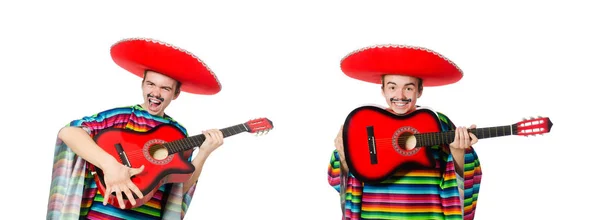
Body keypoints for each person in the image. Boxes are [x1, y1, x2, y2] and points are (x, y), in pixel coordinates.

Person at [47, 38, 226, 219]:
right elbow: (68, 132)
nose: (156, 93)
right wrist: (110, 165)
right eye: (151, 84)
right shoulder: (120, 116)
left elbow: (178, 189)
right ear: (142, 84)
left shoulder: (178, 133)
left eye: (165, 88)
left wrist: (204, 153)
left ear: (176, 93)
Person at [327, 45, 483, 220]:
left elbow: (463, 179)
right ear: (383, 89)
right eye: (392, 87)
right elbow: (339, 179)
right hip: (375, 214)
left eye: (408, 88)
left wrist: (458, 152)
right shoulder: (365, 122)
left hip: (426, 215)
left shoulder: (438, 122)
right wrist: (343, 158)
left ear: (420, 90)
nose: (399, 95)